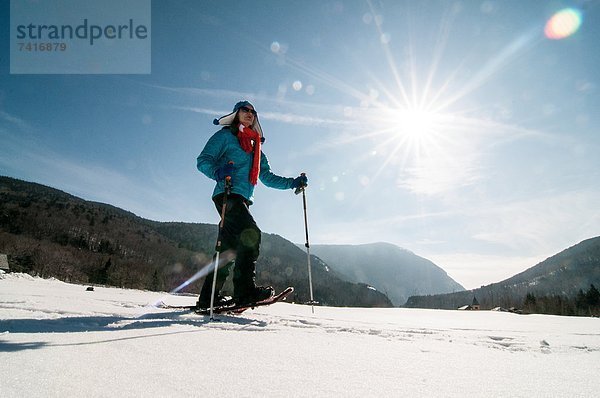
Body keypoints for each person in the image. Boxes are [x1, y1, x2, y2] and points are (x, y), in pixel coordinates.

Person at [196, 100, 308, 307]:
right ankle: (244, 291)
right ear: (236, 114)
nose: (250, 113)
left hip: (243, 200)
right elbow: (203, 160)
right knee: (251, 233)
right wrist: (217, 172)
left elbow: (267, 177)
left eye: (253, 111)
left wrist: (293, 183)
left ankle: (208, 298)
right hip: (227, 195)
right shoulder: (225, 136)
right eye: (244, 110)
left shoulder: (256, 149)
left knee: (228, 250)